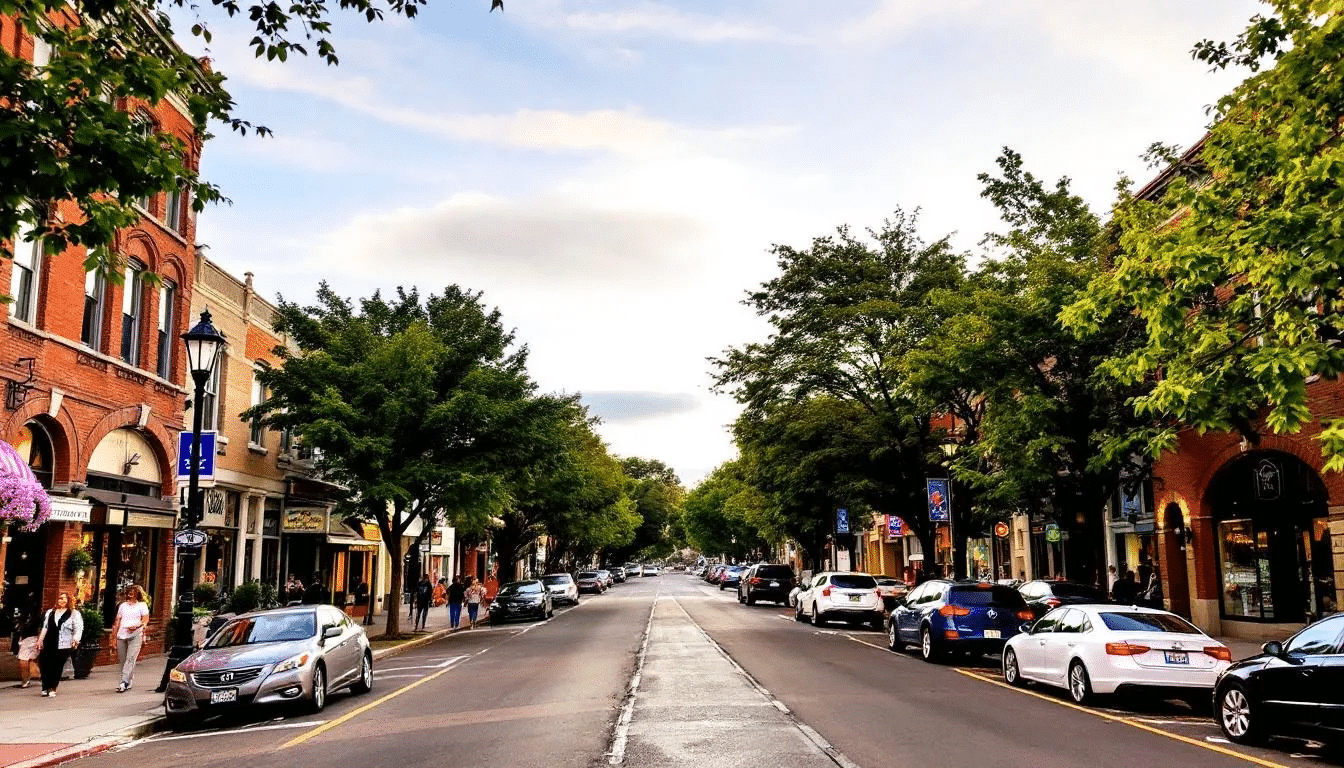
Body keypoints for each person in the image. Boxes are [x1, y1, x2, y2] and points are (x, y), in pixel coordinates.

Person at [35, 592, 82, 697]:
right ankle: (45, 686)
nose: (62, 601)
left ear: (68, 600)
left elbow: (78, 629)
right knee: (45, 664)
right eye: (60, 598)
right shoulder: (50, 612)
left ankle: (53, 687)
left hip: (63, 643)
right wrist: (40, 640)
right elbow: (45, 627)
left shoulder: (74, 613)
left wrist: (75, 639)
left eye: (64, 599)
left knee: (57, 666)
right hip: (49, 641)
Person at [110, 585, 150, 692]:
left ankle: (123, 682)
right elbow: (117, 621)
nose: (131, 593)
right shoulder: (122, 606)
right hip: (121, 635)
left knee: (130, 659)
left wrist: (137, 626)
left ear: (138, 594)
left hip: (135, 635)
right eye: (129, 591)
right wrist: (113, 637)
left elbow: (145, 620)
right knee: (123, 660)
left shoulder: (142, 605)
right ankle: (129, 679)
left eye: (133, 591)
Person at [12, 598, 39, 689]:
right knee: (31, 658)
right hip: (34, 637)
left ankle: (25, 681)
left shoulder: (23, 613)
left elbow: (21, 626)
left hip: (27, 638)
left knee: (23, 659)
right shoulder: (37, 612)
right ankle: (31, 676)